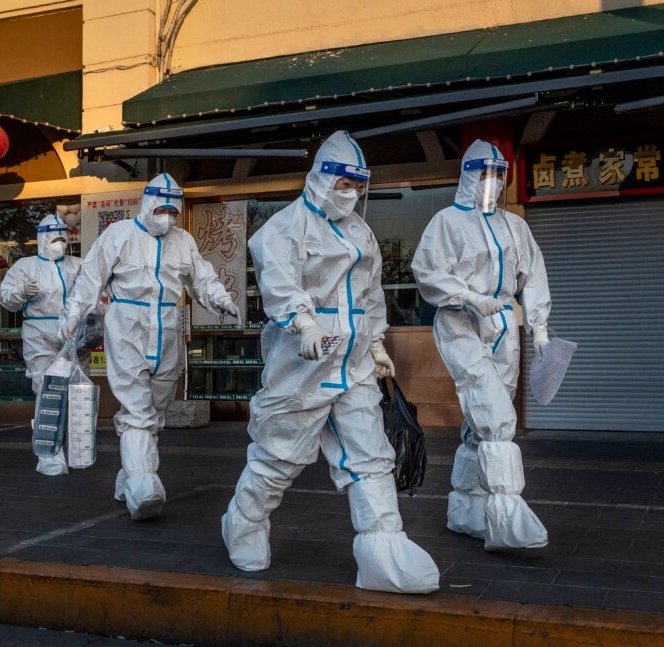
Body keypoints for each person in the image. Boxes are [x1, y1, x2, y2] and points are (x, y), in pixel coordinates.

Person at [220, 130, 440, 594]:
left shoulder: (361, 232)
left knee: (370, 457)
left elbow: (371, 294)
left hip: (354, 364)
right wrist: (303, 324)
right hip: (302, 367)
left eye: (357, 185)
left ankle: (383, 549)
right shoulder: (283, 227)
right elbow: (281, 286)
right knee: (278, 456)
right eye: (343, 183)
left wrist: (377, 345)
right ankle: (243, 522)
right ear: (320, 177)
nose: (350, 193)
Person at [59, 173, 239, 520]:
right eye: (161, 207)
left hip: (167, 325)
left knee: (156, 409)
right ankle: (143, 485)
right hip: (127, 323)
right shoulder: (120, 235)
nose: (167, 216)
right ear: (146, 202)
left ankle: (128, 476)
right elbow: (91, 275)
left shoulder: (183, 241)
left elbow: (201, 276)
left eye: (173, 210)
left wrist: (220, 299)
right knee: (138, 407)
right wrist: (73, 313)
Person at [410, 139, 552, 551]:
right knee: (495, 416)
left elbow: (534, 274)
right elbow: (426, 271)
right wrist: (470, 297)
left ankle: (466, 510)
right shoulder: (446, 222)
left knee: (482, 424)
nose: (493, 182)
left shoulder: (515, 226)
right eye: (485, 174)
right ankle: (506, 514)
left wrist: (538, 328)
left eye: (499, 175)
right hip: (460, 323)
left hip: (504, 324)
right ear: (469, 176)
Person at [0, 213, 90, 476]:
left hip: (74, 334)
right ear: (42, 239)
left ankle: (76, 450)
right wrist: (21, 292)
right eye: (55, 238)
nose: (60, 243)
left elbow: (93, 291)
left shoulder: (78, 264)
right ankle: (48, 453)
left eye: (63, 238)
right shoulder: (25, 267)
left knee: (76, 392)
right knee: (47, 391)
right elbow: (6, 298)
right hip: (40, 333)